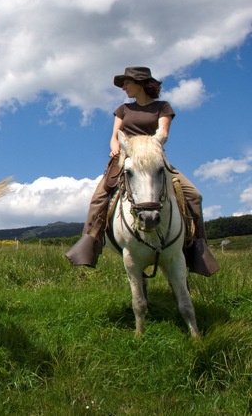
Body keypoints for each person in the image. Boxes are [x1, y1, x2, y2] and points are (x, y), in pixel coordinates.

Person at [65, 67, 218, 276]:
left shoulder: (163, 107)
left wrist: (148, 146)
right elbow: (114, 135)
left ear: (142, 83)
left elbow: (162, 133)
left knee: (194, 196)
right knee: (99, 197)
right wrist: (116, 148)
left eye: (127, 83)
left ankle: (197, 247)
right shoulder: (123, 109)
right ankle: (90, 242)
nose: (124, 88)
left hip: (154, 160)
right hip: (126, 159)